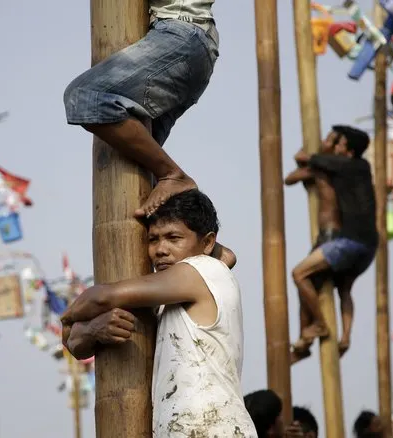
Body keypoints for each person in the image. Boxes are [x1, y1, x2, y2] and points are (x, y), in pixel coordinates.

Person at [61, 189, 254, 437]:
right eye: (153, 239)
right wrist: (90, 329)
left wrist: (66, 318)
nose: (160, 250)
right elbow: (77, 346)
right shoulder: (167, 297)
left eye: (174, 238)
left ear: (207, 243)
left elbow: (102, 297)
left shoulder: (203, 269)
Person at [63, 1, 219, 218]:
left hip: (181, 33)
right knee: (145, 189)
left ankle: (172, 174)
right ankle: (213, 247)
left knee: (84, 96)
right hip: (192, 43)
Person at [284, 126, 378, 360]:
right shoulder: (349, 168)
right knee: (344, 289)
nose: (335, 146)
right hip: (368, 246)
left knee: (300, 274)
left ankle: (317, 326)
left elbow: (298, 168)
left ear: (348, 151)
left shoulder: (346, 166)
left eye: (339, 143)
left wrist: (314, 151)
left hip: (347, 241)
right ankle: (345, 336)